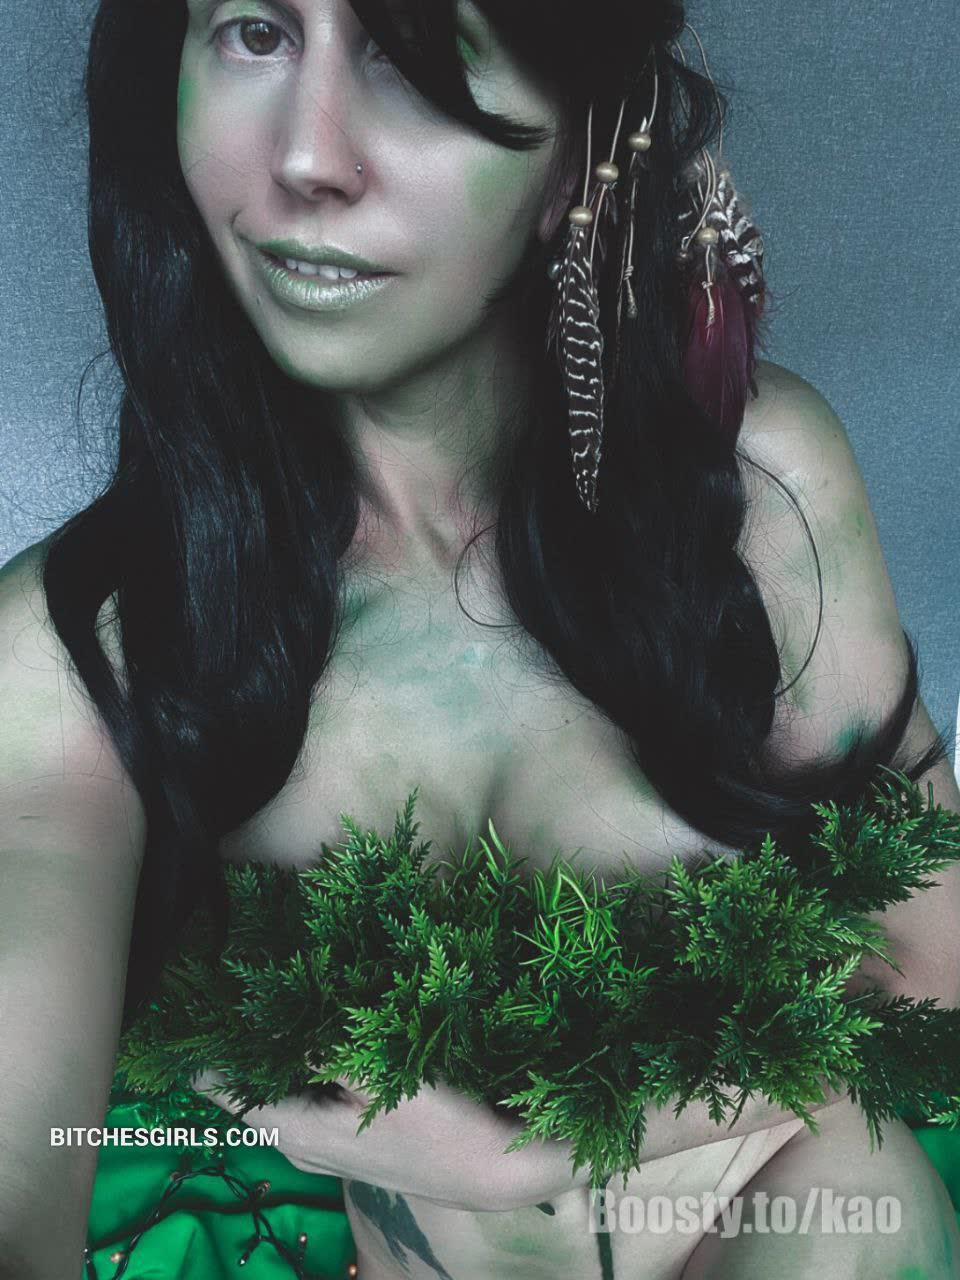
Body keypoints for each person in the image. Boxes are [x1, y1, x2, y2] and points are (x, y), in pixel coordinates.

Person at [0, 0, 958, 1276]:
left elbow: (934, 973)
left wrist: (532, 1146)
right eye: (255, 33)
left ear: (575, 159)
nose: (308, 156)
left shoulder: (754, 495)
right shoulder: (84, 646)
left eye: (416, 56)